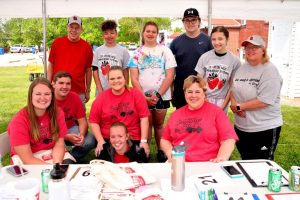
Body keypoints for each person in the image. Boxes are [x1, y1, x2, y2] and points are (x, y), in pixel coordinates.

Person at [128, 21, 176, 162]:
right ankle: (146, 150)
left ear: (157, 34)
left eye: (153, 31)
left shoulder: (165, 51)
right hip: (143, 96)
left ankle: (161, 151)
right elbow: (134, 78)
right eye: (147, 31)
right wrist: (143, 96)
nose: (150, 34)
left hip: (162, 95)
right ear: (143, 33)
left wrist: (158, 94)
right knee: (146, 124)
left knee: (159, 124)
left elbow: (170, 75)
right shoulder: (136, 53)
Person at [161, 75, 238, 162]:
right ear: (185, 93)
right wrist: (170, 153)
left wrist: (221, 157)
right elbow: (165, 139)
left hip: (209, 163)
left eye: (197, 92)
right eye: (189, 92)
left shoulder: (216, 112)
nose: (193, 95)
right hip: (180, 162)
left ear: (204, 93)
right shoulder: (176, 115)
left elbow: (228, 139)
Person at [230, 35, 283, 160]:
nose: (250, 50)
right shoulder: (242, 68)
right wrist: (234, 105)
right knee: (246, 161)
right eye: (248, 47)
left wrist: (239, 106)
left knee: (262, 164)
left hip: (264, 128)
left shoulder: (269, 70)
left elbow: (265, 100)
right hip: (242, 127)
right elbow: (232, 88)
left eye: (255, 47)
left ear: (263, 50)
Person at [7, 78, 74, 164]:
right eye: (38, 94)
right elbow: (28, 159)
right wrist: (50, 169)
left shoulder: (57, 113)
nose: (43, 98)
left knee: (68, 169)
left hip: (50, 152)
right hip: (27, 158)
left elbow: (59, 144)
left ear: (52, 96)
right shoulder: (19, 121)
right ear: (31, 96)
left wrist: (57, 165)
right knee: (41, 176)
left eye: (47, 94)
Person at [89, 66, 150, 158]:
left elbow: (144, 118)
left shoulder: (136, 94)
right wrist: (101, 141)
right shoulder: (101, 98)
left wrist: (144, 141)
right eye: (112, 78)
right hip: (109, 138)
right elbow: (93, 121)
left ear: (124, 78)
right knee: (105, 164)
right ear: (108, 81)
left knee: (139, 159)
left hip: (132, 136)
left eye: (119, 77)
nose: (116, 81)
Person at [170, 8, 213, 109]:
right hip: (181, 89)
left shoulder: (208, 41)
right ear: (183, 22)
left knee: (201, 121)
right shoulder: (176, 42)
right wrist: (171, 89)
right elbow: (170, 69)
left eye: (193, 20)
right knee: (181, 121)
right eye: (187, 20)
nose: (190, 23)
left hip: (201, 89)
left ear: (199, 21)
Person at [47, 15, 93, 105]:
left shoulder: (87, 47)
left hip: (78, 91)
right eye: (71, 27)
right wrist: (48, 85)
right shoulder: (57, 43)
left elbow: (88, 70)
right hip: (57, 89)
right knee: (56, 116)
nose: (74, 30)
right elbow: (51, 64)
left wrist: (87, 90)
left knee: (78, 117)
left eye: (77, 28)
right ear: (67, 28)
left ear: (81, 30)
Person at [52, 71, 96, 162]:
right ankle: (60, 160)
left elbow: (83, 121)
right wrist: (66, 137)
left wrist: (82, 135)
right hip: (52, 132)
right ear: (53, 84)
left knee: (90, 140)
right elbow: (47, 130)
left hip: (70, 128)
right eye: (61, 83)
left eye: (68, 84)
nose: (65, 87)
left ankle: (71, 158)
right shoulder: (47, 98)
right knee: (55, 144)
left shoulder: (75, 97)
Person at [195, 26, 241, 112]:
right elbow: (198, 81)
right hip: (204, 98)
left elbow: (232, 86)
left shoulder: (235, 61)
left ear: (227, 39)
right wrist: (205, 100)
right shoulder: (205, 57)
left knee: (219, 125)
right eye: (214, 39)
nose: (217, 42)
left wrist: (223, 105)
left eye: (220, 39)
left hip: (222, 101)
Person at [92, 20, 130, 96]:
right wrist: (100, 90)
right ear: (102, 35)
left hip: (119, 90)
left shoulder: (123, 51)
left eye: (112, 33)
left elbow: (126, 71)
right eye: (106, 33)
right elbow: (95, 72)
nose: (109, 36)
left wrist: (125, 87)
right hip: (102, 91)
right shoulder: (98, 51)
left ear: (116, 34)